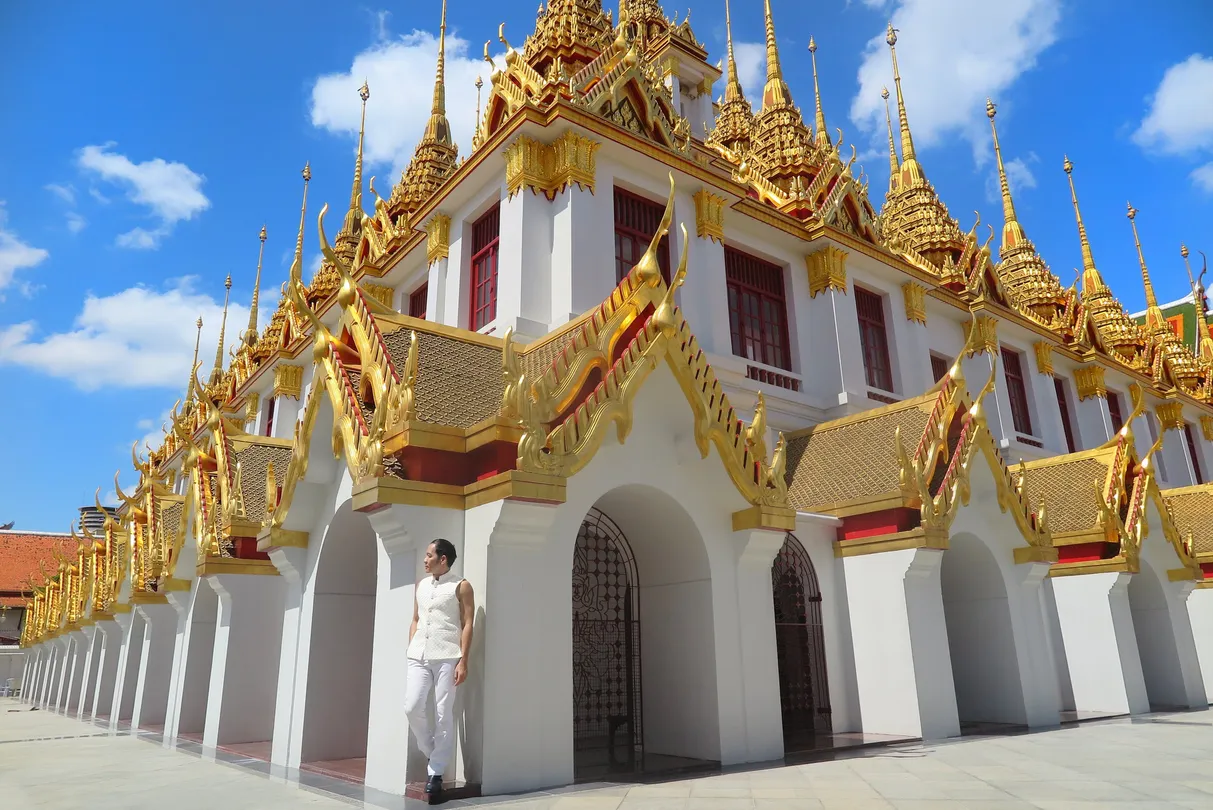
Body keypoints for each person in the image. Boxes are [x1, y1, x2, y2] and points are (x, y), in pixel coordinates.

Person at [404, 538, 474, 798]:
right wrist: (411, 644)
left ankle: (436, 771)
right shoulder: (421, 585)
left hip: (447, 656)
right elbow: (415, 619)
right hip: (418, 655)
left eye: (429, 555)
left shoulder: (461, 586)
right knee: (411, 706)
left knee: (444, 713)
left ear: (442, 559)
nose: (425, 560)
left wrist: (463, 660)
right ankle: (432, 750)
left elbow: (468, 624)